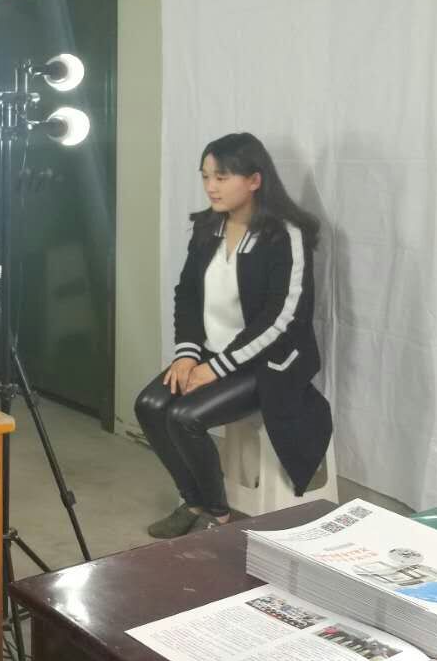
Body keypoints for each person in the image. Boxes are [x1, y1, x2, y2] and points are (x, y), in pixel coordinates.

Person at [135, 132, 332, 538]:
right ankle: (193, 501)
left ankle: (219, 517)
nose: (211, 186)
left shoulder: (285, 234)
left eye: (222, 177)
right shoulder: (208, 227)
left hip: (269, 362)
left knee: (185, 417)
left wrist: (216, 368)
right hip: (212, 354)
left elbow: (282, 318)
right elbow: (188, 294)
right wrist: (187, 355)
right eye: (206, 176)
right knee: (150, 405)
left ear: (254, 180)